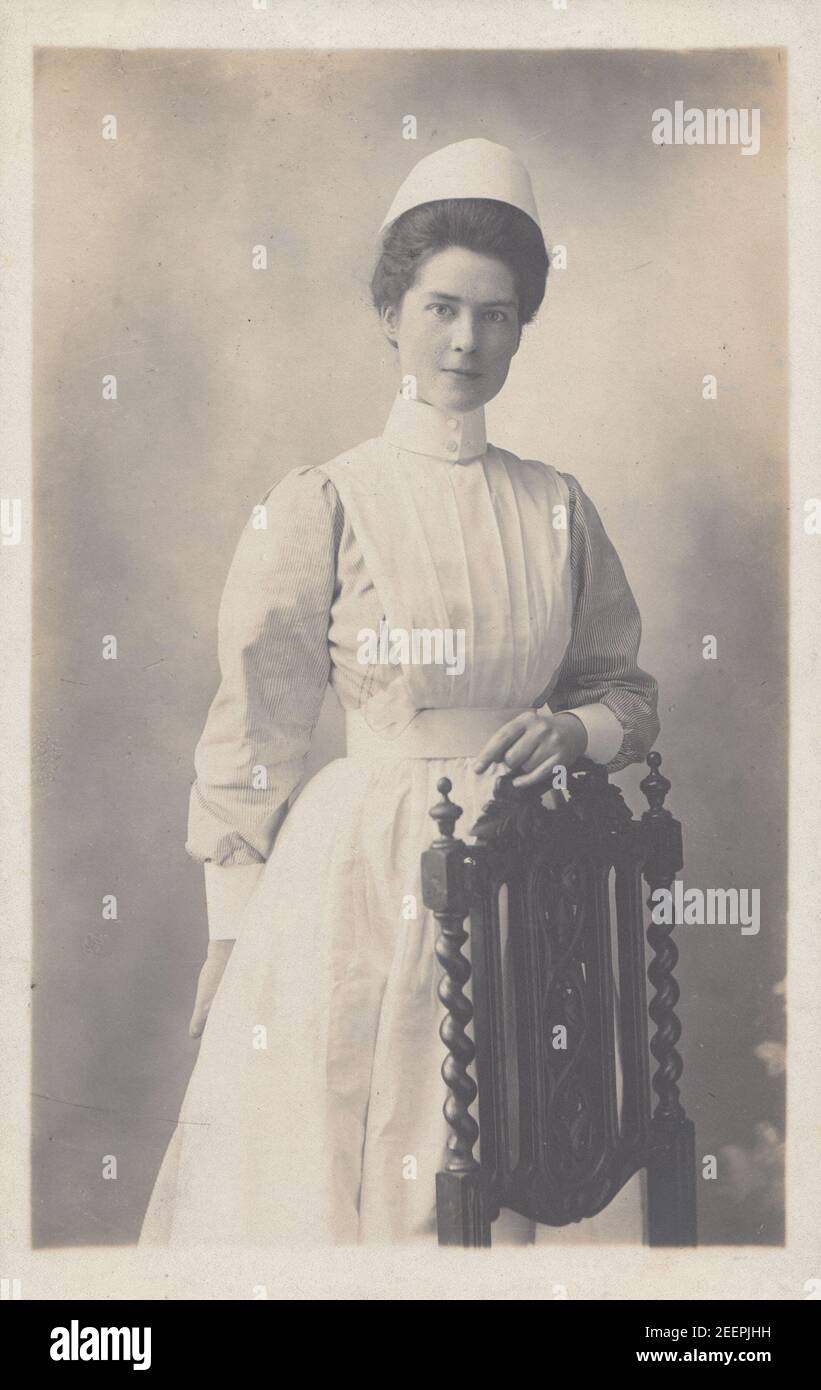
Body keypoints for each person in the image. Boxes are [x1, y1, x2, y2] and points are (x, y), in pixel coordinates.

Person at [139, 138, 660, 1246]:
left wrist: (570, 731)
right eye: (440, 308)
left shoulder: (556, 507)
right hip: (363, 875)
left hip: (529, 875)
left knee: (497, 1180)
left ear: (523, 326)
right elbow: (257, 725)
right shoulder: (328, 497)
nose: (467, 340)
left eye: (498, 314)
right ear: (390, 311)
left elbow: (625, 693)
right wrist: (230, 938)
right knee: (349, 1175)